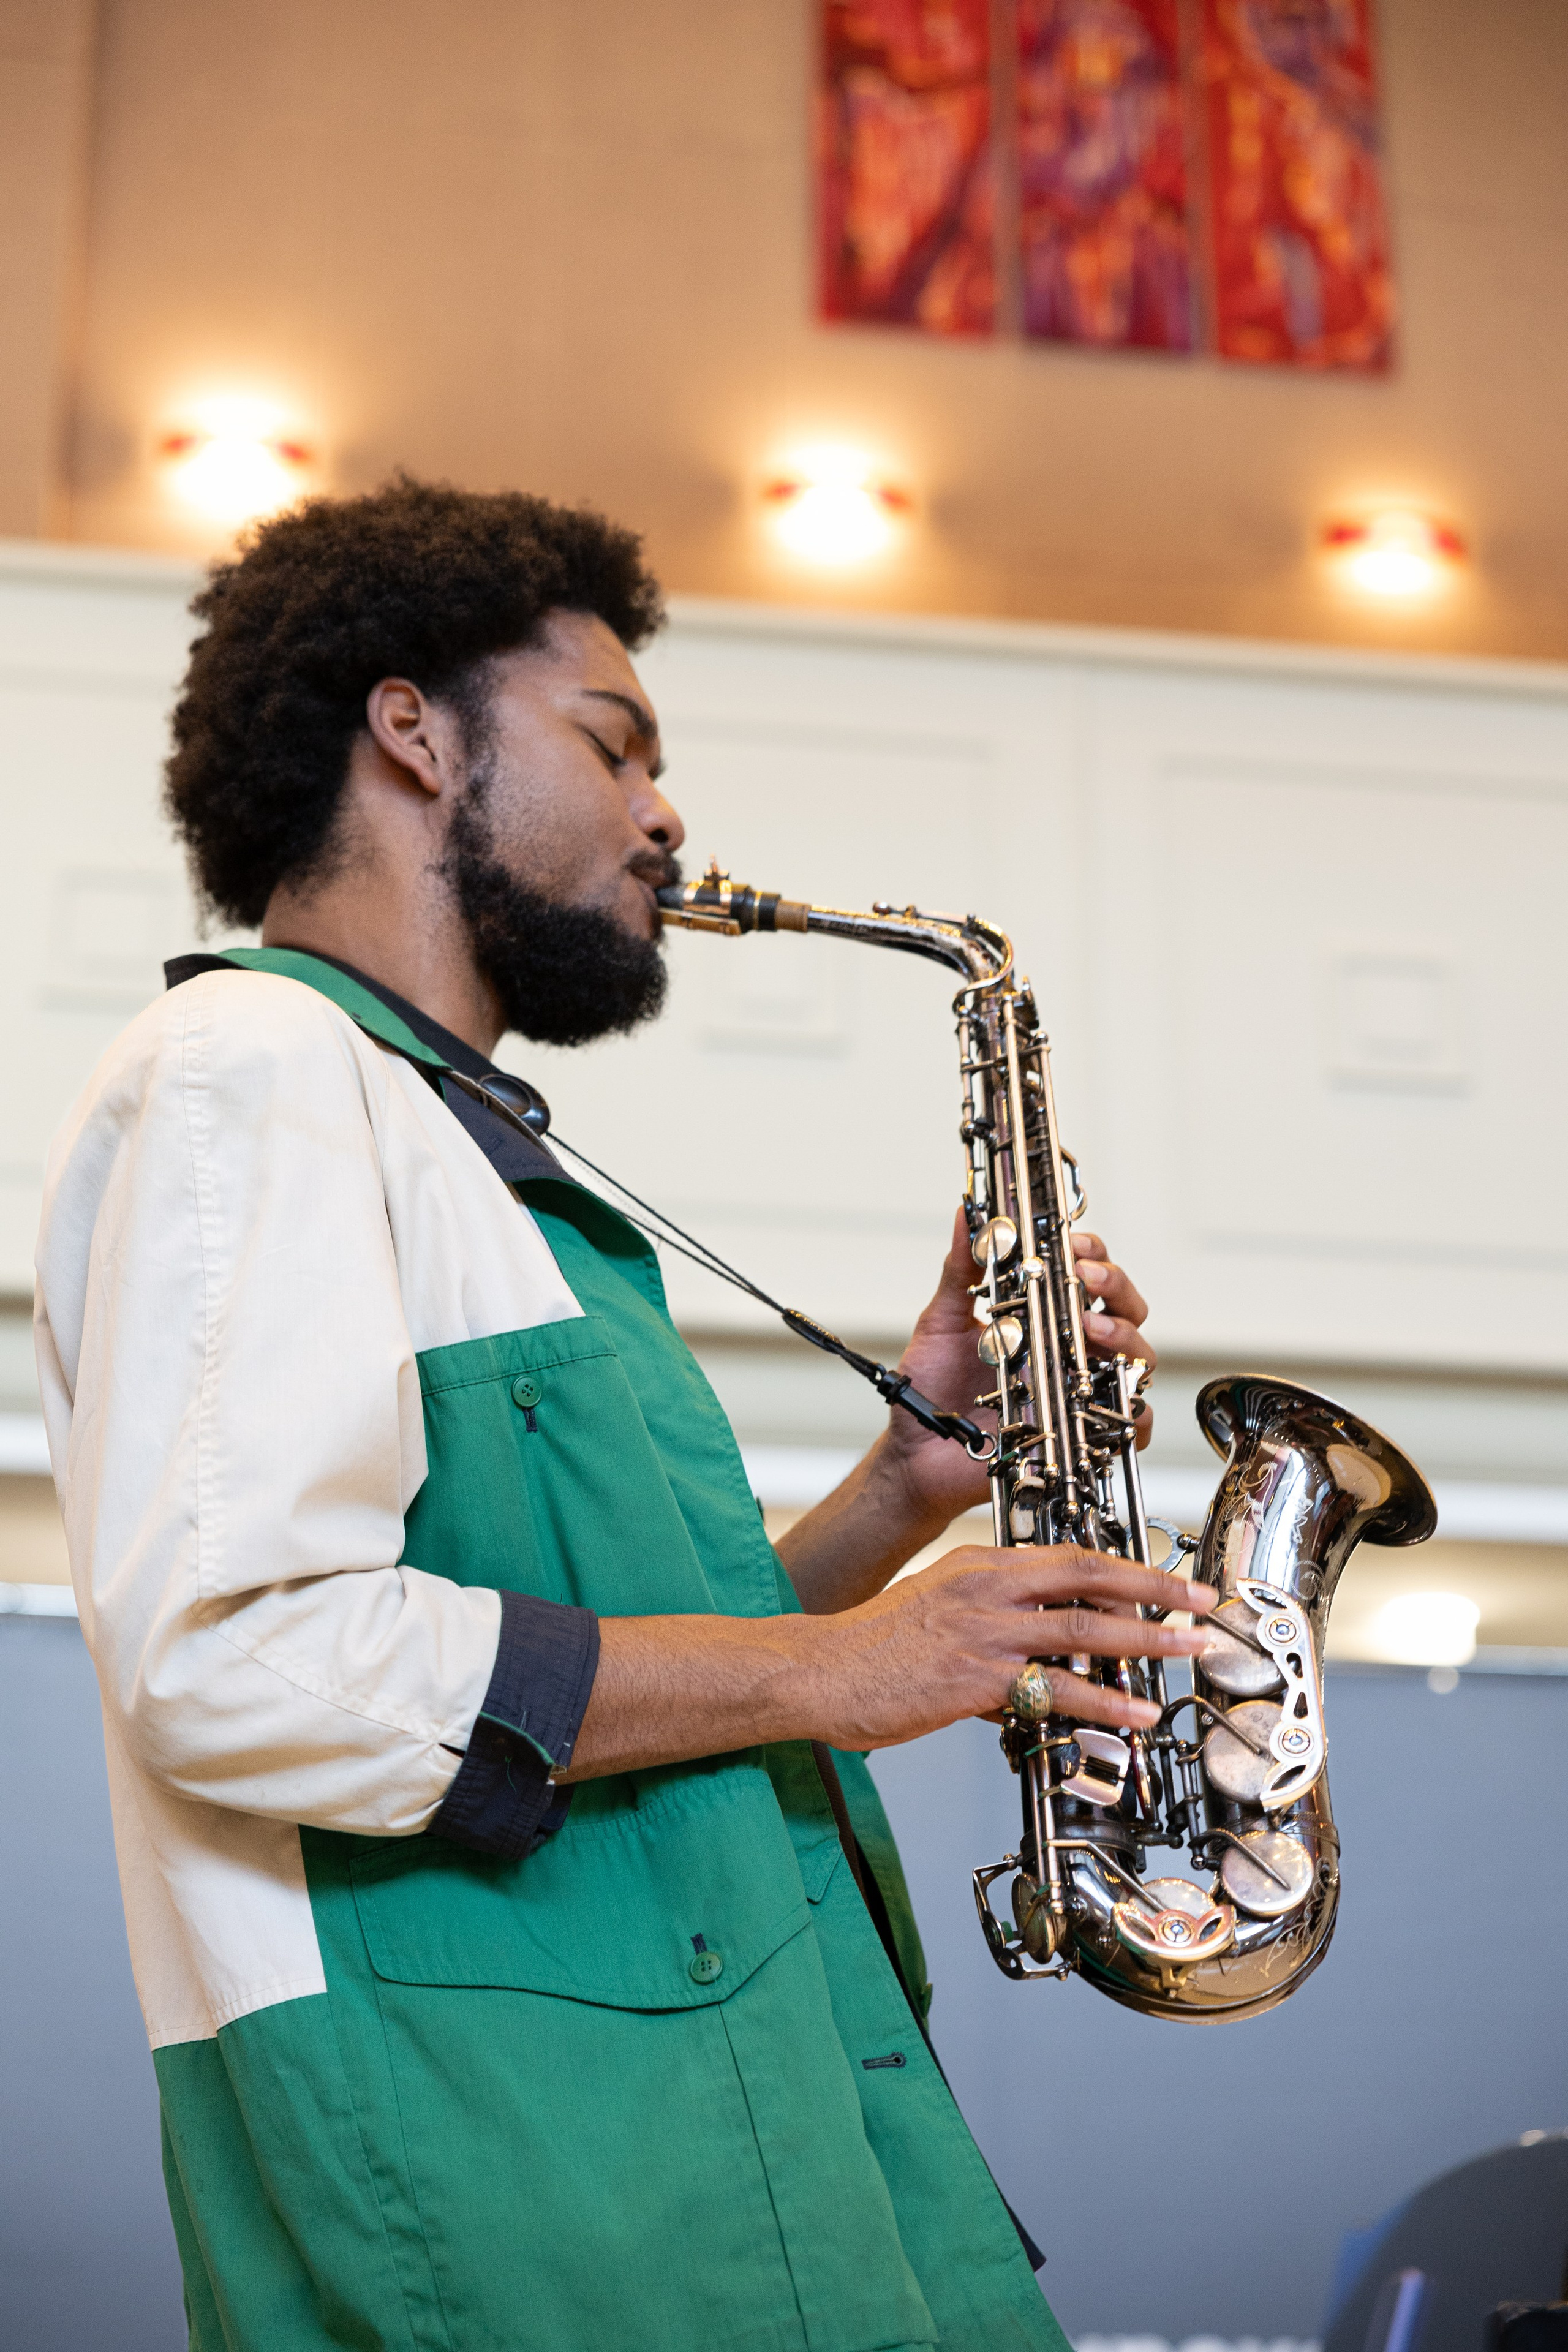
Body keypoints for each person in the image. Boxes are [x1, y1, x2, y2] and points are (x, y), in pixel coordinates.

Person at [34, 478, 1214, 2352]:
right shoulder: (248, 1070)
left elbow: (631, 1660)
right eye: (615, 744)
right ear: (412, 731)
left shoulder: (453, 1151)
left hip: (709, 2136)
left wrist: (909, 1478)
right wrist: (847, 1675)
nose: (669, 816)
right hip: (527, 2181)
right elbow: (240, 1659)